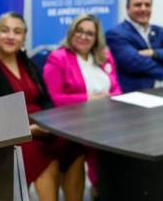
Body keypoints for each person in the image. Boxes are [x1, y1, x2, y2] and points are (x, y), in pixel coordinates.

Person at [0, 12, 85, 201]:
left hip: (40, 126)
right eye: (5, 30)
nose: (11, 36)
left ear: (24, 38)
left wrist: (50, 123)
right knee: (43, 157)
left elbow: (45, 98)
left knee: (75, 145)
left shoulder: (25, 61)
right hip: (8, 135)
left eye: (17, 32)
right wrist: (29, 130)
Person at [42, 14, 122, 196]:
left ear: (96, 38)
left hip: (106, 117)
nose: (83, 36)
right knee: (102, 146)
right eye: (79, 31)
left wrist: (107, 98)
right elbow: (54, 98)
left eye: (89, 33)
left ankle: (109, 190)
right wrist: (88, 99)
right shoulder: (58, 58)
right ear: (71, 32)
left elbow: (117, 90)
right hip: (72, 123)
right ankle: (98, 188)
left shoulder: (104, 56)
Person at [106, 0, 163, 93]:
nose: (143, 9)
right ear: (127, 8)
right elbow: (134, 63)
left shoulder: (161, 32)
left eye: (147, 5)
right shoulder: (116, 34)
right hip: (137, 94)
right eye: (138, 5)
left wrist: (154, 53)